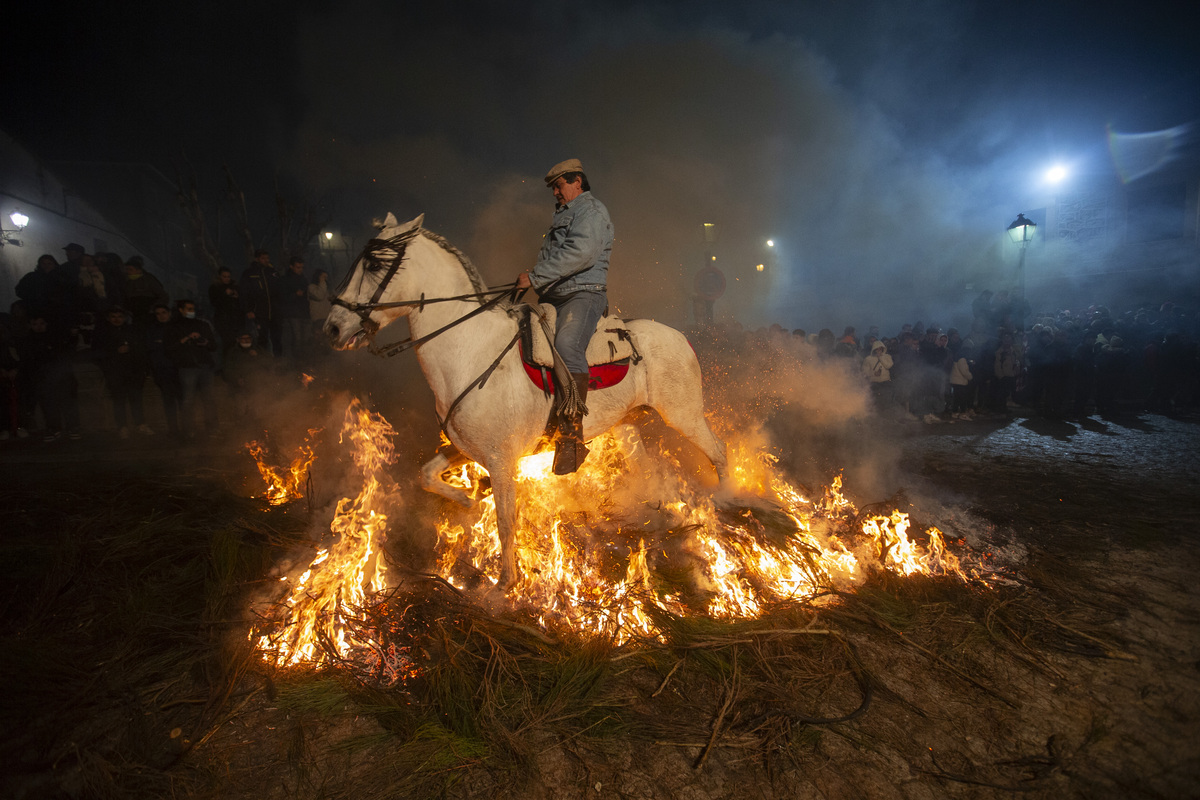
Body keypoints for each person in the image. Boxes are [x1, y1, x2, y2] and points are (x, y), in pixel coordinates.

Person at [515, 158, 613, 474]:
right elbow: (552, 258)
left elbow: (580, 254)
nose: (555, 192)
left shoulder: (592, 212)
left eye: (559, 185)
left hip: (583, 294)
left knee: (568, 346)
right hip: (554, 297)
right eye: (554, 187)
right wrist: (530, 282)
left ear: (576, 182)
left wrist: (535, 276)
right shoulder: (564, 214)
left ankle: (572, 438)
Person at [91, 306, 153, 438]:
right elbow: (97, 353)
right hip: (115, 372)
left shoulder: (132, 331)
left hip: (133, 371)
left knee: (136, 399)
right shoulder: (102, 333)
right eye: (113, 317)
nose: (117, 319)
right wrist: (115, 353)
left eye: (119, 316)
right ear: (108, 318)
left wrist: (141, 367)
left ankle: (140, 424)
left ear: (124, 318)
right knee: (119, 400)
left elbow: (142, 349)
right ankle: (122, 427)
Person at [165, 299, 218, 438]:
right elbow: (170, 348)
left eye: (192, 309)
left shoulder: (202, 324)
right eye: (188, 309)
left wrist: (205, 342)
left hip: (204, 365)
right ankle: (189, 430)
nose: (191, 311)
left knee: (209, 399)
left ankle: (212, 429)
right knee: (188, 400)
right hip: (187, 367)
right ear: (181, 310)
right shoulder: (174, 327)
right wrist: (186, 339)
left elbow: (213, 345)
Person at [146, 303, 183, 437]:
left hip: (178, 369)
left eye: (164, 312)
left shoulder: (176, 327)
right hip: (162, 370)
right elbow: (151, 348)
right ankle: (173, 429)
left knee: (182, 400)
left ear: (169, 313)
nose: (161, 316)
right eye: (158, 314)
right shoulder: (153, 330)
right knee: (169, 400)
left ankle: (187, 428)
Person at [241, 249, 281, 357]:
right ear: (257, 259)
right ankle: (262, 363)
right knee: (261, 338)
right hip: (259, 312)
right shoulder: (250, 273)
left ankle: (280, 363)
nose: (266, 260)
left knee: (277, 338)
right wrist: (248, 309)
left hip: (274, 312)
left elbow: (279, 291)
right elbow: (245, 293)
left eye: (267, 258)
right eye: (263, 258)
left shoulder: (273, 272)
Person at [275, 256, 311, 362]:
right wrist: (295, 295)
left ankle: (304, 360)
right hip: (292, 314)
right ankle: (296, 361)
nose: (300, 269)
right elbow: (281, 296)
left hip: (304, 313)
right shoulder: (285, 280)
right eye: (298, 267)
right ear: (291, 267)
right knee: (297, 339)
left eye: (301, 267)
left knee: (305, 339)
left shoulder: (304, 279)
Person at [121, 256, 169, 327]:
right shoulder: (126, 281)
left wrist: (153, 308)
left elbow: (163, 296)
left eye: (130, 269)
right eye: (126, 269)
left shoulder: (149, 279)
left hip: (148, 314)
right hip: (135, 314)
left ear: (138, 270)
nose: (127, 272)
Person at [208, 268, 243, 352]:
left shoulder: (235, 287)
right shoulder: (214, 288)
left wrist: (237, 297)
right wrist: (225, 295)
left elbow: (242, 303)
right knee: (227, 343)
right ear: (220, 277)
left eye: (228, 276)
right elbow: (215, 303)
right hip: (223, 320)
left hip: (235, 320)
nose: (227, 278)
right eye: (224, 276)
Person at [308, 269, 331, 339]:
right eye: (323, 277)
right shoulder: (311, 287)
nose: (325, 279)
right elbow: (320, 296)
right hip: (318, 318)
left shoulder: (326, 288)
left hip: (327, 318)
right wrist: (322, 282)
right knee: (319, 338)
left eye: (326, 277)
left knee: (327, 339)